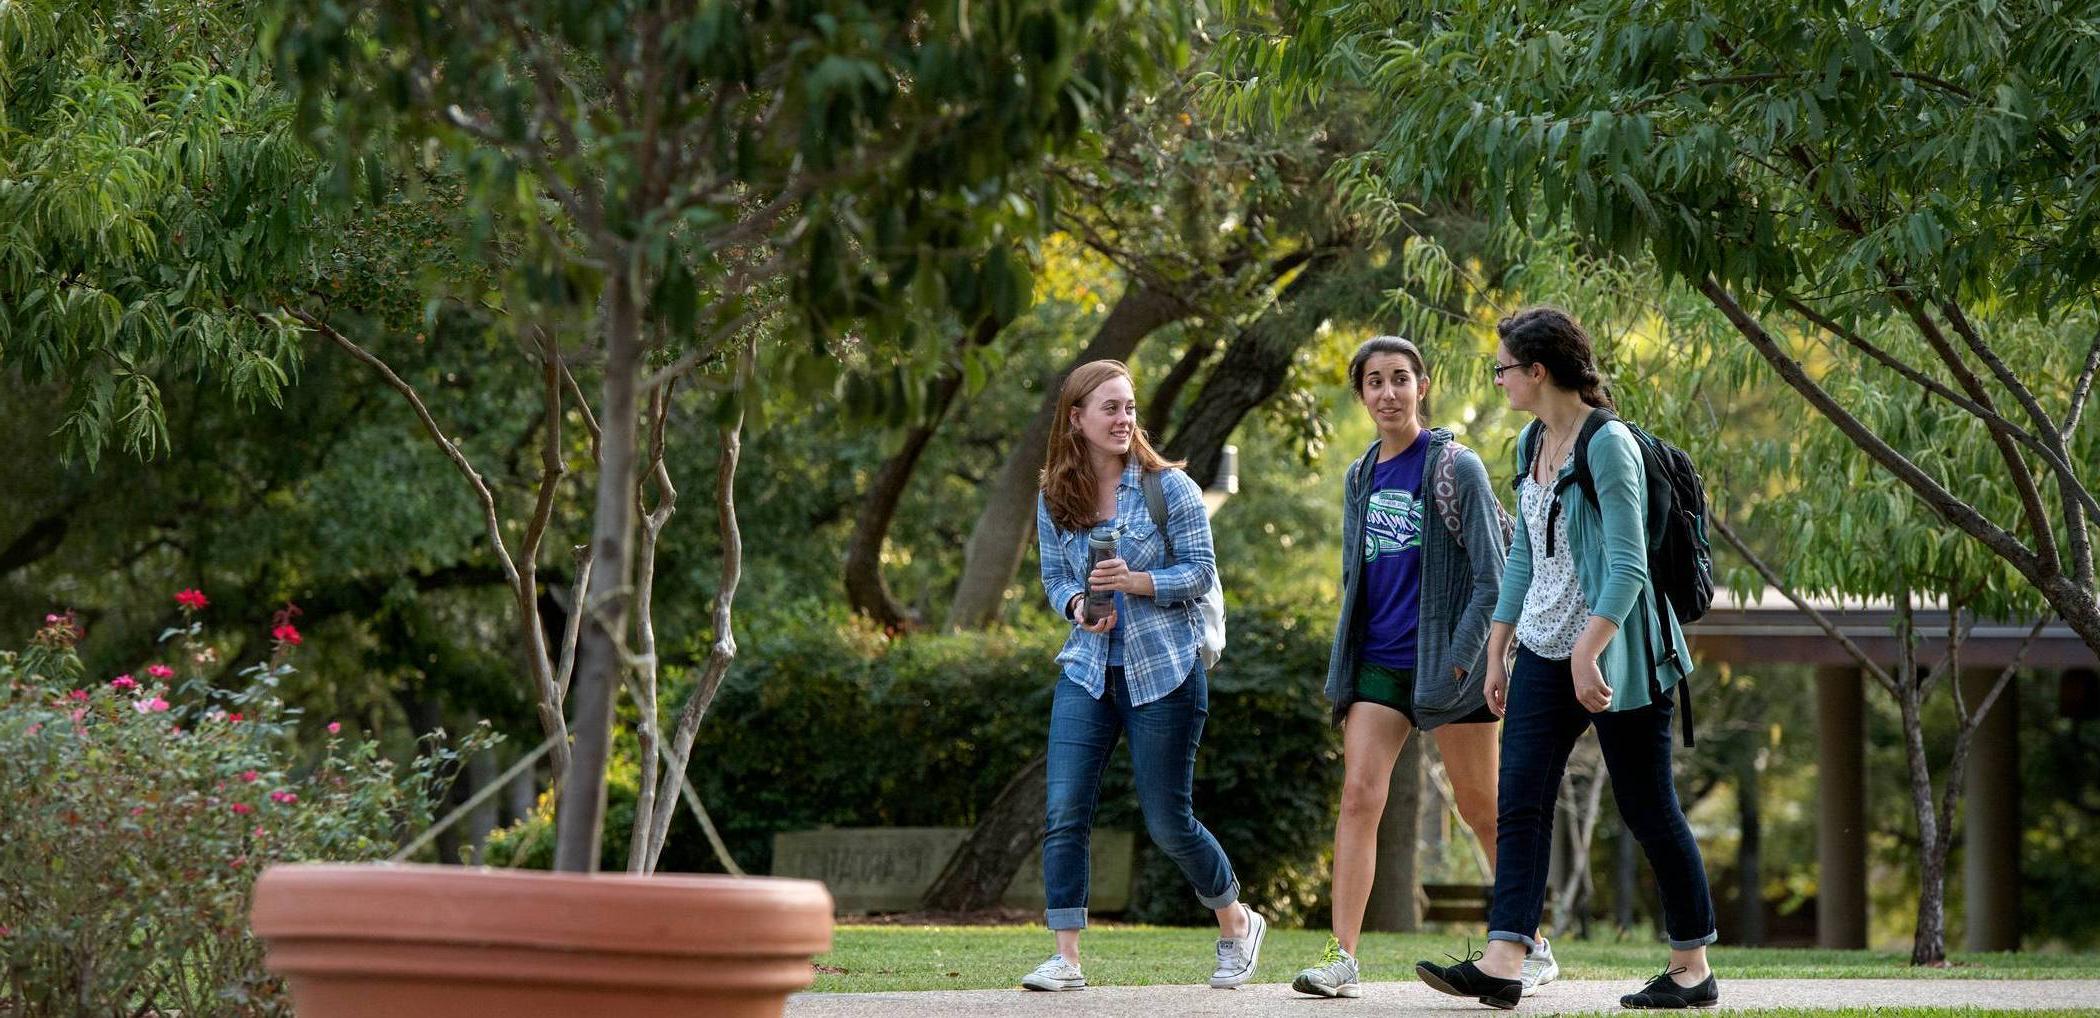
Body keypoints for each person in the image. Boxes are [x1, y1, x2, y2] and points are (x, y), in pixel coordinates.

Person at [1414, 308, 1718, 1010]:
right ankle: (1504, 959)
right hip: (1544, 652)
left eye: (1503, 368)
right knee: (1519, 801)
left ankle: (1692, 967)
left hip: (1621, 654)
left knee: (1648, 808)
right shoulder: (1530, 442)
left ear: (1538, 371)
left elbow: (1628, 565)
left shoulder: (1608, 445)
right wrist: (1498, 645)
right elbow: (1524, 552)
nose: (1498, 380)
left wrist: (1591, 650)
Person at [1294, 336, 1559, 1000]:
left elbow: (1493, 582)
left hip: (1454, 669)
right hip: (1380, 665)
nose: (1388, 393)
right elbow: (1357, 573)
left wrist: (1468, 659)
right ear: (1361, 394)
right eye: (1375, 382)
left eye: (1400, 380)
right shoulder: (1359, 475)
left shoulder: (1455, 468)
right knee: (1358, 798)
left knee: (1482, 812)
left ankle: (1532, 943)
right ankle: (1341, 958)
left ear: (1423, 386)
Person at [1021, 359, 1264, 992]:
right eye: (1110, 408)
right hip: (1087, 670)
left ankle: (1236, 921)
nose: (1124, 418)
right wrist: (1077, 606)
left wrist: (1138, 582)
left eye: (1130, 407)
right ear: (1077, 418)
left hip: (1165, 672)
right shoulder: (1055, 495)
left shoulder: (1170, 489)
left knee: (1167, 820)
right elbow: (1052, 579)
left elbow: (1201, 574)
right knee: (1065, 809)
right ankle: (1066, 957)